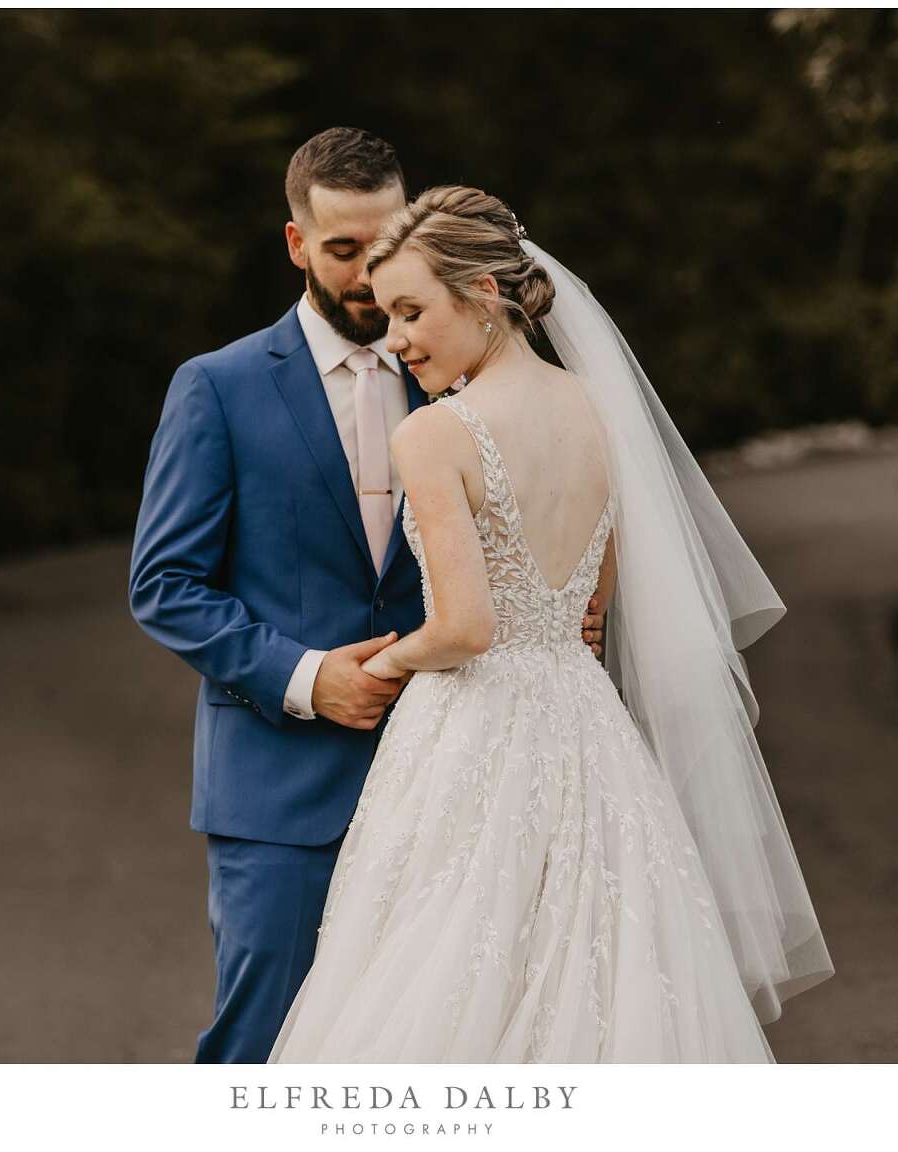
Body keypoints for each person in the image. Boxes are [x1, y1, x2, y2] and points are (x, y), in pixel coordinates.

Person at [269, 186, 834, 1062]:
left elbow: (465, 628)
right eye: (388, 316)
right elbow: (596, 600)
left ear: (486, 293)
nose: (398, 340)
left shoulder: (434, 435)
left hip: (474, 730)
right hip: (587, 729)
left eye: (413, 312)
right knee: (603, 970)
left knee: (449, 971)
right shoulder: (599, 411)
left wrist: (382, 665)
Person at [128, 132, 608, 1063]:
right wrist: (308, 677)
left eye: (384, 245)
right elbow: (164, 585)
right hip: (284, 792)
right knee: (267, 1054)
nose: (366, 273)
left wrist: (576, 606)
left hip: (468, 782)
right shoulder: (218, 389)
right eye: (343, 250)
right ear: (297, 244)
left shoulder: (467, 381)